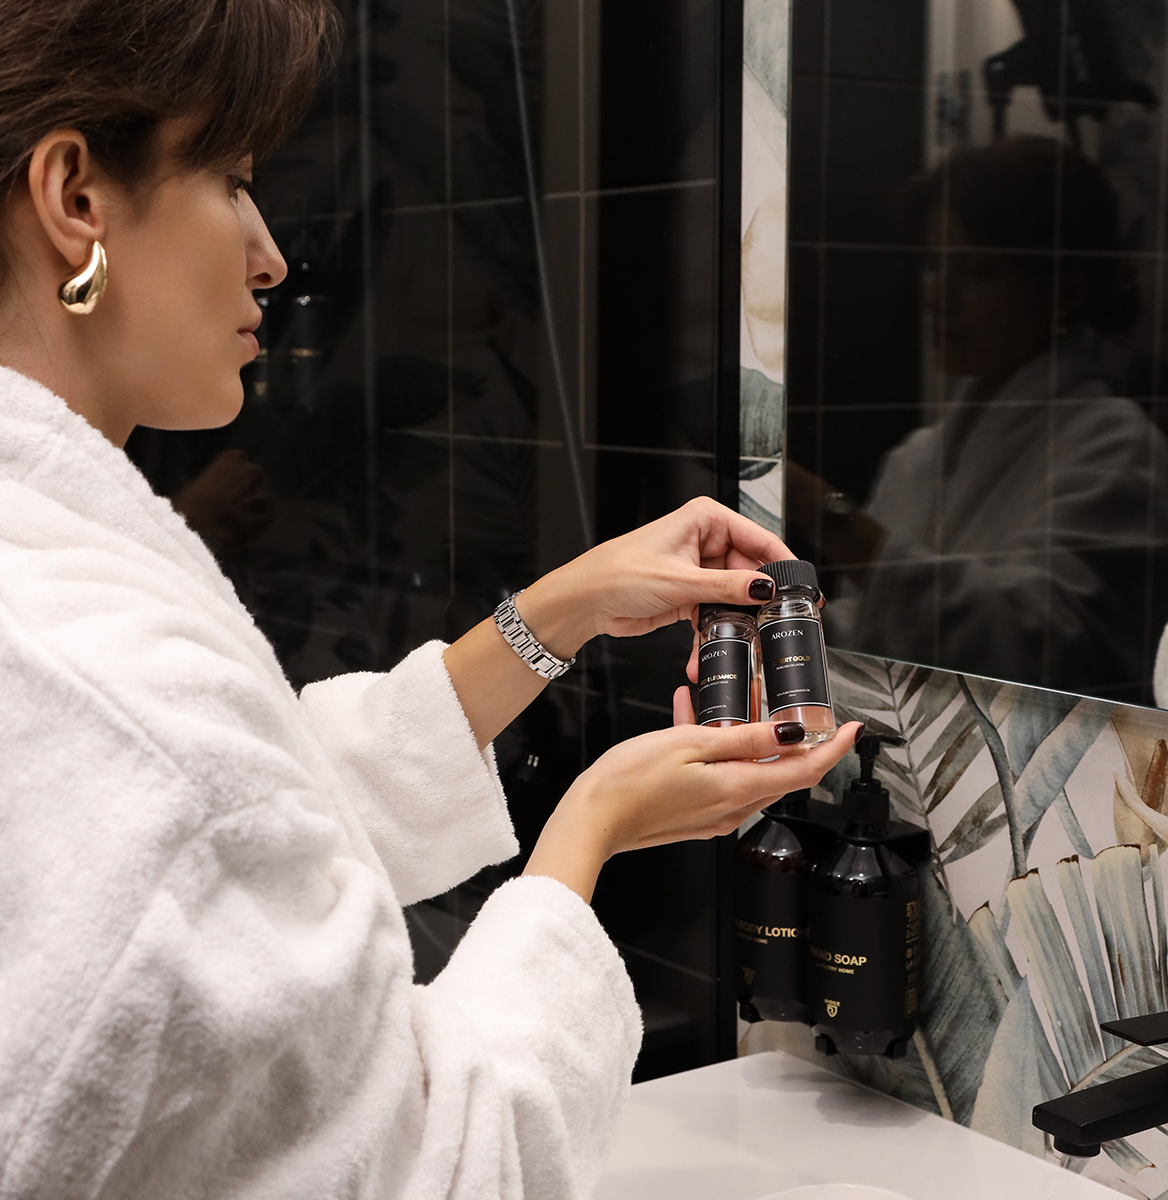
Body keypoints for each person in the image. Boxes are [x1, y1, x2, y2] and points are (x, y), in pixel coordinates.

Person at [0, 0, 859, 1196]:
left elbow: (255, 830)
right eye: (234, 180)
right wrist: (593, 827)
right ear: (76, 197)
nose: (272, 254)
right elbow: (440, 1166)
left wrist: (559, 608)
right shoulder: (105, 674)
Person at [790, 136, 1168, 696]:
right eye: (934, 267)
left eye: (980, 273)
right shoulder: (916, 458)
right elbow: (877, 627)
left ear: (1065, 289)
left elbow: (1036, 648)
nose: (939, 300)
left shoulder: (1117, 447)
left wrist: (822, 511)